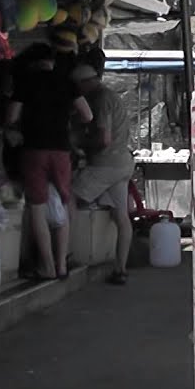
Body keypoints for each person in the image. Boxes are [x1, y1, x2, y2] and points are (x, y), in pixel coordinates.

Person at [7, 44, 93, 280]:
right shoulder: (67, 82)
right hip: (61, 150)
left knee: (37, 206)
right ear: (52, 61)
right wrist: (64, 114)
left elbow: (12, 116)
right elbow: (88, 115)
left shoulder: (26, 82)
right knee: (64, 203)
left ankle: (47, 266)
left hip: (34, 149)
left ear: (33, 63)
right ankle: (62, 264)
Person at [69, 65, 136, 286]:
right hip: (122, 163)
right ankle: (121, 268)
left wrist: (79, 144)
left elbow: (103, 138)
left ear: (83, 84)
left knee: (67, 196)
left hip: (105, 164)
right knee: (121, 217)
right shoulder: (111, 96)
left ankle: (65, 254)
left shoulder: (100, 99)